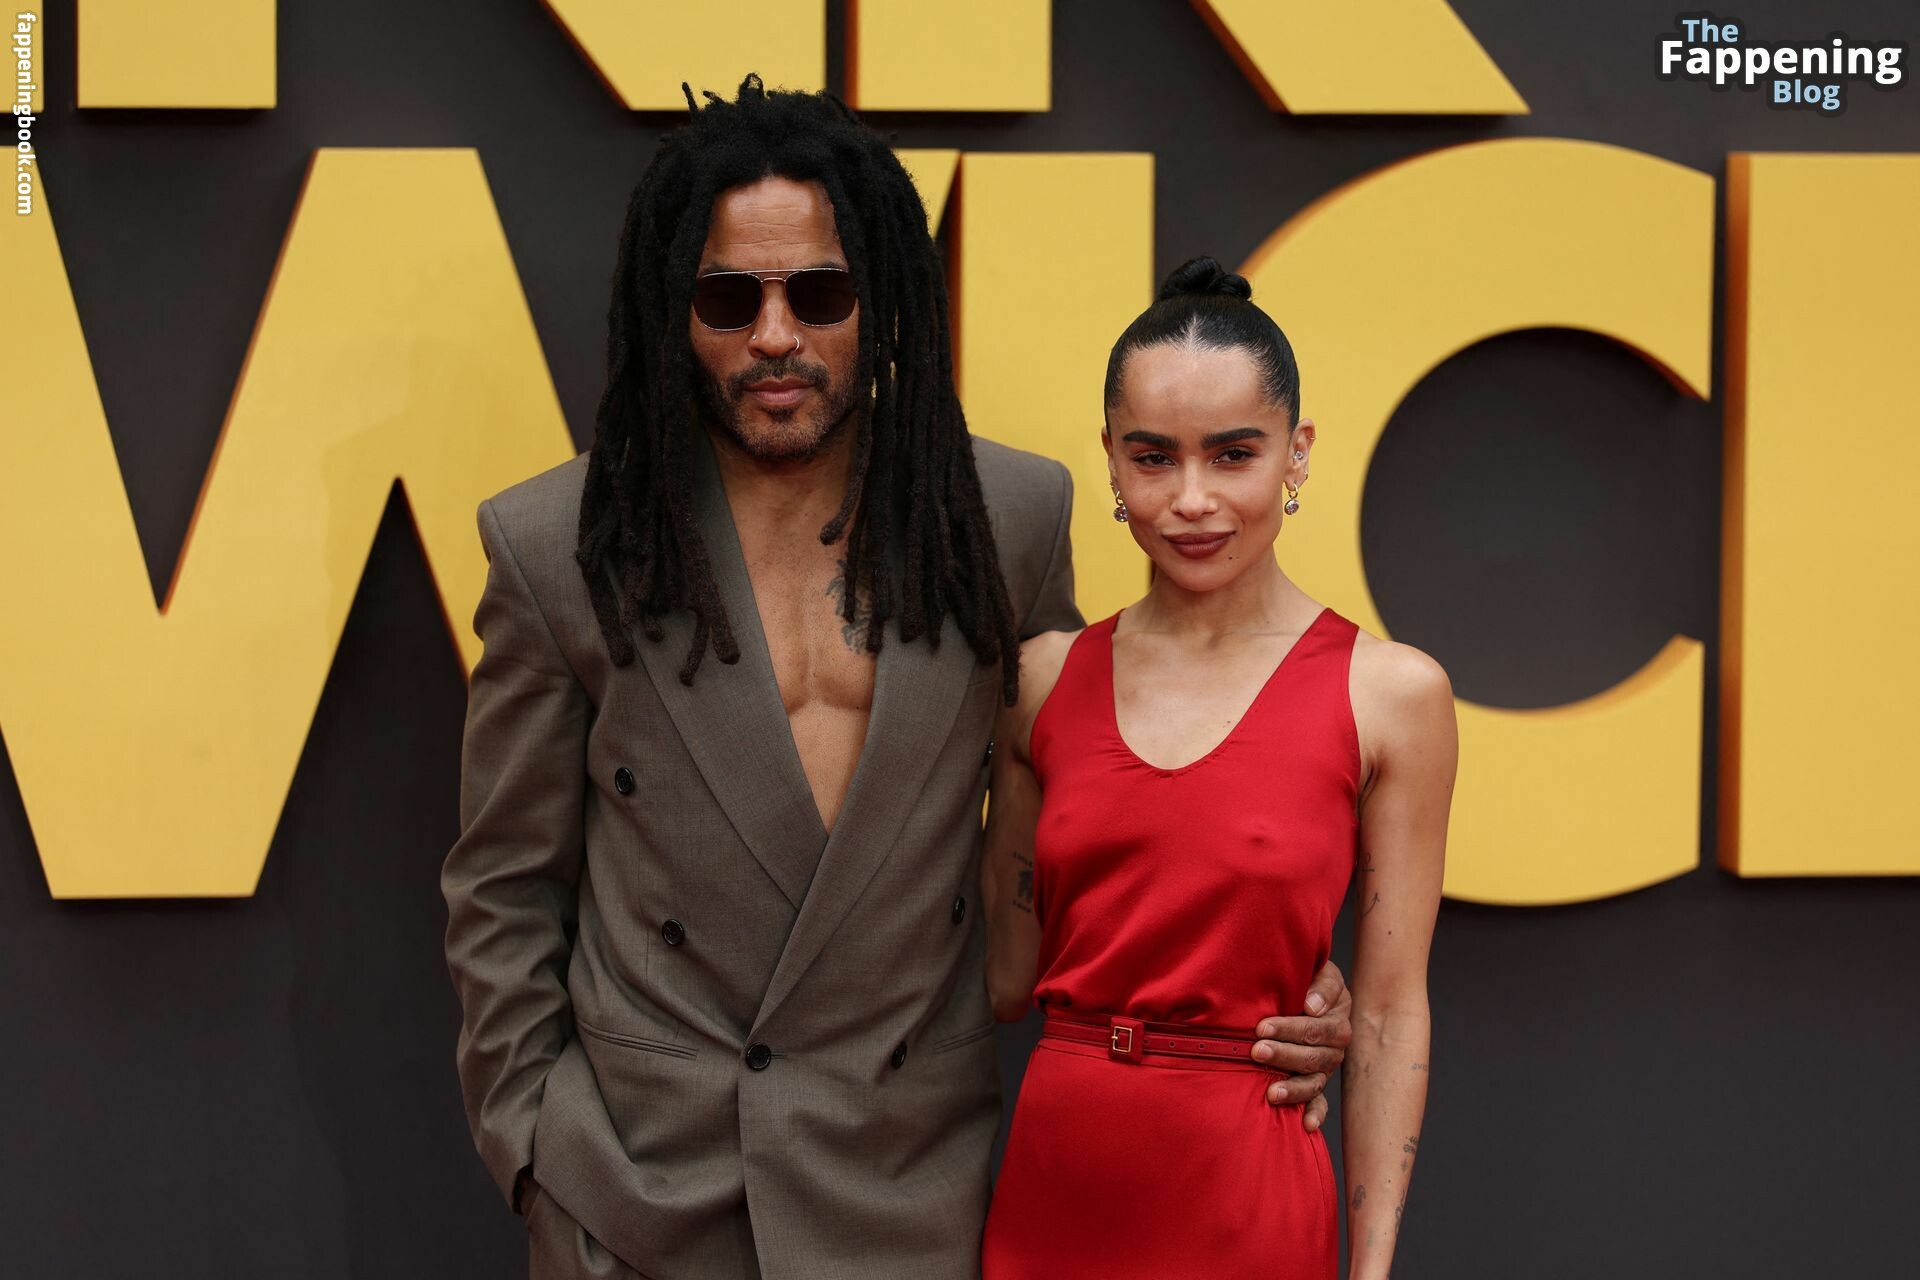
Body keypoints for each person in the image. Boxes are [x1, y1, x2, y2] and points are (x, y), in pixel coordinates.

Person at [440, 78, 1356, 1280]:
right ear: (675, 309)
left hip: (912, 1185)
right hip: (638, 1195)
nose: (776, 335)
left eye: (820, 294)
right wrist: (534, 1152)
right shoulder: (561, 543)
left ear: (881, 299)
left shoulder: (1004, 517)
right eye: (729, 297)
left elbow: (1108, 805)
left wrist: (1278, 987)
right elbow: (503, 884)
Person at [979, 258, 1455, 1279]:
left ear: (1296, 452)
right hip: (1051, 1191)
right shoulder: (1041, 680)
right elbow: (1004, 978)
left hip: (1248, 1196)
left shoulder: (1391, 695)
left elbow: (1388, 1013)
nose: (1191, 500)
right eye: (1154, 457)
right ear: (1112, 460)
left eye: (1234, 454)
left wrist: (1371, 1271)